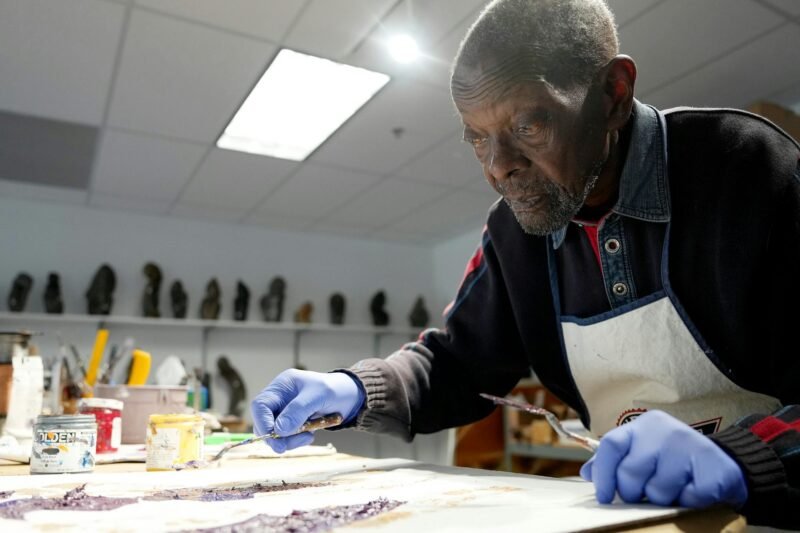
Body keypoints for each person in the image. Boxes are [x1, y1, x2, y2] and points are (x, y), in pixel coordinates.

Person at [251, 0, 800, 527]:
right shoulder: (513, 232)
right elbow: (460, 364)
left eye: (526, 128)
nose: (498, 168)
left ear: (613, 93)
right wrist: (354, 388)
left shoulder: (746, 167)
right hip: (634, 519)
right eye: (477, 138)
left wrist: (743, 457)